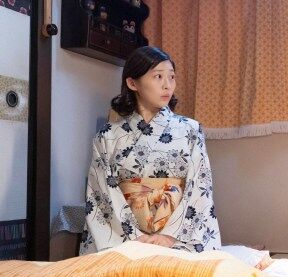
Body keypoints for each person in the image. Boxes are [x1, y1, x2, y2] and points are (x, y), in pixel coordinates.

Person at [80, 46, 221, 254]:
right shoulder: (108, 136)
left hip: (177, 239)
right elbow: (101, 193)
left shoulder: (190, 130)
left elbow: (200, 186)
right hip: (125, 239)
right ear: (132, 83)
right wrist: (135, 238)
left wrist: (169, 236)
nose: (167, 85)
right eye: (158, 77)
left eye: (171, 77)